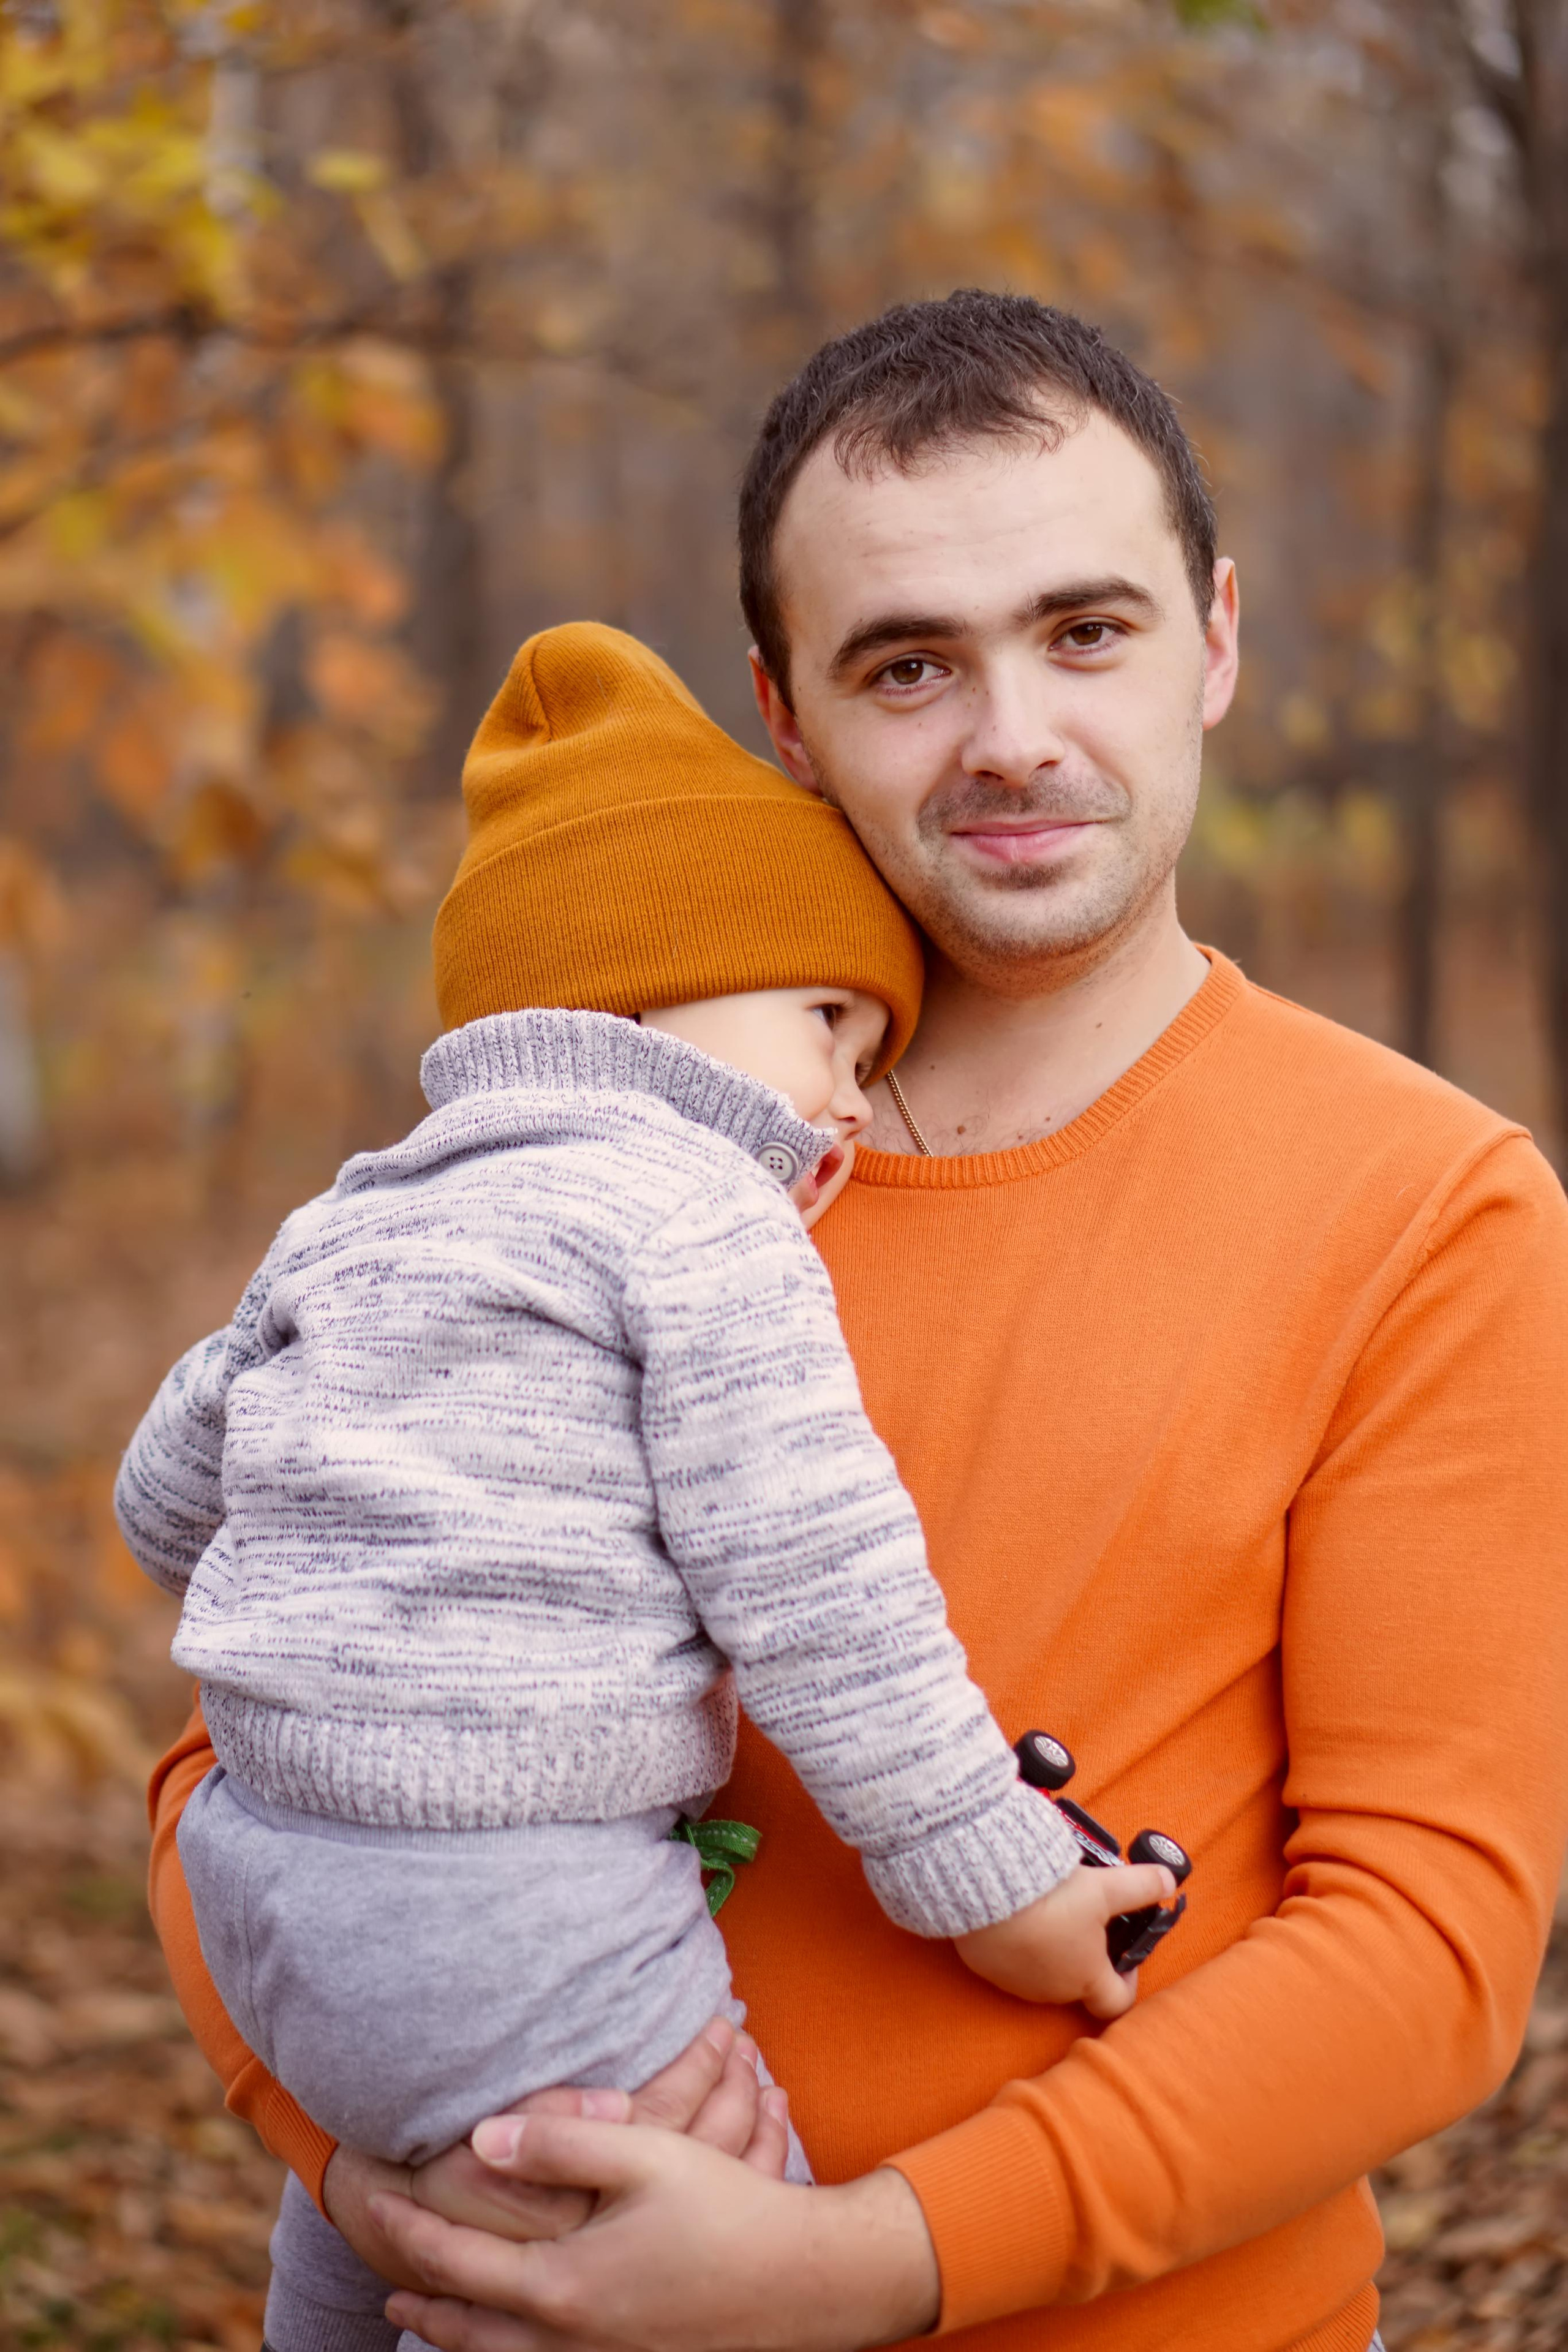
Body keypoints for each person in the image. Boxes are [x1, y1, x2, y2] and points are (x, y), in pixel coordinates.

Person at [146, 293, 1568, 2352]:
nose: (1011, 735)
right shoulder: (606, 1159)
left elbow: (1427, 1950)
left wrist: (852, 2267)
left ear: (1219, 641)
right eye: (910, 663)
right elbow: (250, 1741)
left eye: (1088, 631)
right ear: (786, 714)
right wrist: (367, 2161)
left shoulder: (1432, 1207)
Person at [119, 620, 1170, 2352]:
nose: (848, 1090)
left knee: (369, 2238)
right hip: (509, 1899)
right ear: (655, 984)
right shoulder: (701, 1221)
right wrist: (999, 1891)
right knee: (699, 2240)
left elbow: (168, 1505)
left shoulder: (358, 1211)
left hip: (269, 1889)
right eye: (832, 1020)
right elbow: (826, 1600)